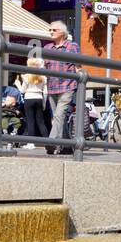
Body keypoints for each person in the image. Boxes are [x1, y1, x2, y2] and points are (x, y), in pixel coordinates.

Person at [40, 22, 80, 155]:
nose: (51, 32)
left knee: (58, 115)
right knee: (59, 117)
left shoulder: (72, 46)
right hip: (52, 87)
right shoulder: (47, 47)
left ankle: (51, 142)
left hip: (67, 86)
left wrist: (81, 80)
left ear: (62, 32)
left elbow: (78, 66)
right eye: (50, 30)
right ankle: (68, 146)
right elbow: (44, 67)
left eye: (54, 30)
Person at [18, 70, 50, 144]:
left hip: (29, 98)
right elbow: (45, 93)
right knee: (41, 122)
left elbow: (22, 91)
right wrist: (44, 104)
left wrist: (18, 84)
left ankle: (30, 143)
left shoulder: (26, 77)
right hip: (39, 98)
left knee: (30, 122)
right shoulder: (43, 77)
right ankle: (48, 142)